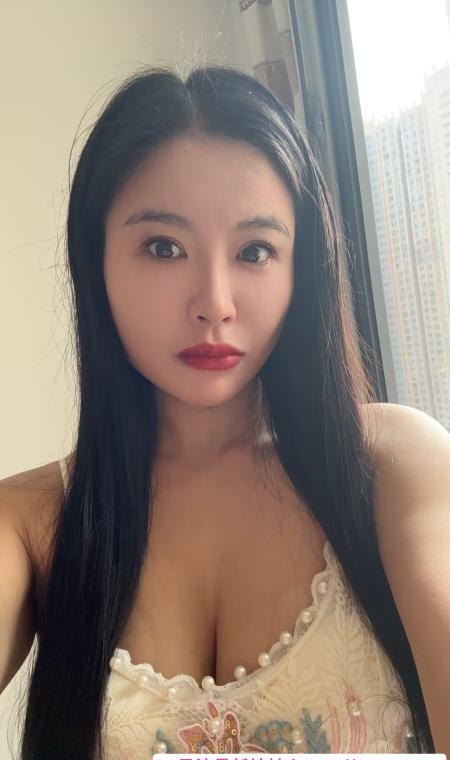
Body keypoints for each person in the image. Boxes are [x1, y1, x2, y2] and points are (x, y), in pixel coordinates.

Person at [1, 64, 448, 760]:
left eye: (255, 251)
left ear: (303, 269)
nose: (214, 301)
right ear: (97, 263)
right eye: (164, 247)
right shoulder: (30, 523)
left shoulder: (389, 465)